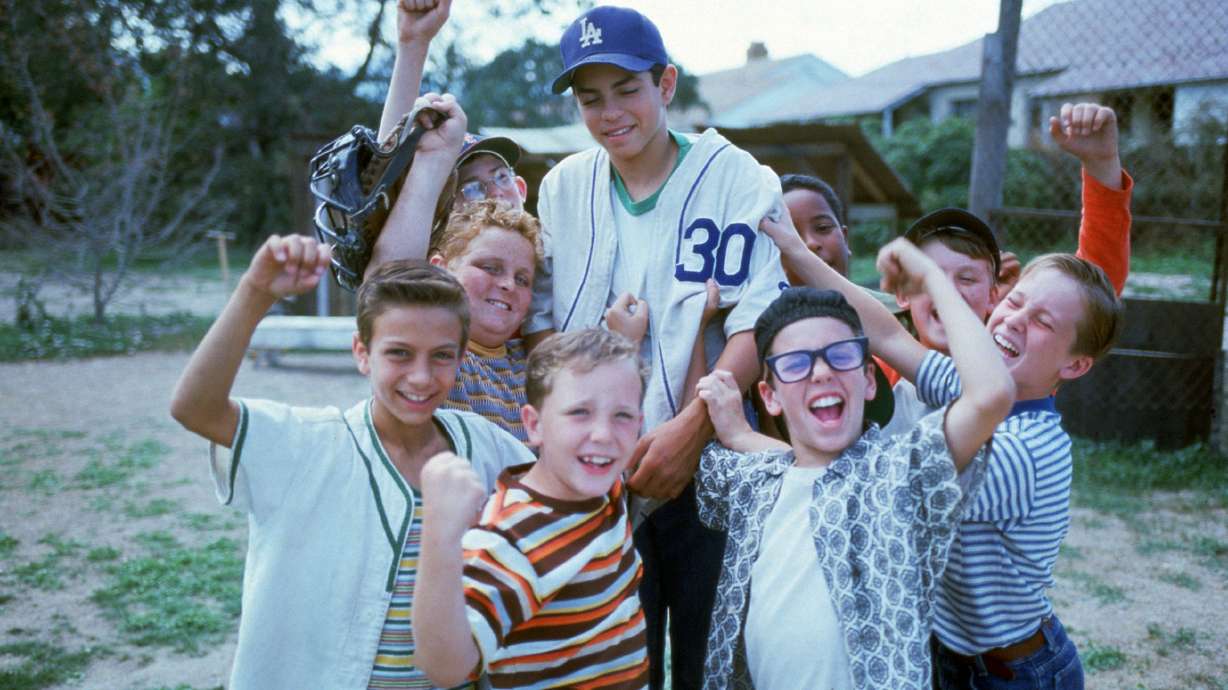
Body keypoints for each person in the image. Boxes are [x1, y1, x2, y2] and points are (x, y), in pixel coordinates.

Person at [525, 6, 790, 686]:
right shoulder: (563, 187)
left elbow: (755, 323)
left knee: (712, 664)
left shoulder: (736, 176)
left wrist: (692, 431)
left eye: (627, 89)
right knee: (614, 667)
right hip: (598, 472)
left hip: (710, 466)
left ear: (666, 84)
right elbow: (542, 325)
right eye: (590, 97)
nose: (610, 111)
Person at [760, 211, 1124, 689]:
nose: (1014, 321)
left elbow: (879, 491)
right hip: (954, 656)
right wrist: (797, 253)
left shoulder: (1025, 452)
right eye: (1015, 302)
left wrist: (932, 276)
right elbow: (889, 336)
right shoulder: (971, 389)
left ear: (1075, 365)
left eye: (1042, 322)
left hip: (1015, 672)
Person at [169, 240, 534, 689]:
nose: (421, 377)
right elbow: (194, 408)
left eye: (441, 355)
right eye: (399, 353)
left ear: (461, 358)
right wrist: (256, 292)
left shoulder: (490, 448)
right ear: (362, 353)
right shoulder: (308, 446)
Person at [692, 238, 1014, 688]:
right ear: (770, 395)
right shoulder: (755, 480)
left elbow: (991, 394)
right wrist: (734, 425)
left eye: (840, 356)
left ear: (868, 381)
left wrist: (937, 284)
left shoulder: (900, 473)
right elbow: (773, 456)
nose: (821, 371)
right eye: (797, 363)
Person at [413, 328, 649, 688]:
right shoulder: (509, 541)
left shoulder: (603, 485)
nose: (603, 434)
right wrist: (439, 539)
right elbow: (446, 668)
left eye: (622, 416)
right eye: (579, 412)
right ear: (534, 425)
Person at [882, 101, 1131, 439]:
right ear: (902, 294)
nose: (947, 290)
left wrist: (1102, 165)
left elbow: (1092, 285)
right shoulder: (880, 362)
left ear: (994, 296)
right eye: (931, 277)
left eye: (967, 278)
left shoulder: (1015, 365)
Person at [429, 199, 542, 440]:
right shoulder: (434, 355)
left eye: (523, 279)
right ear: (441, 270)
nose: (509, 284)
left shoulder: (534, 368)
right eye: (490, 267)